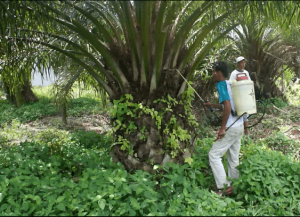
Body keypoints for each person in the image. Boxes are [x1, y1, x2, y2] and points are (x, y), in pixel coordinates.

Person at [204, 61, 249, 196]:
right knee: (233, 158)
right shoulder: (231, 84)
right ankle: (234, 186)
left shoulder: (221, 85)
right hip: (239, 124)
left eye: (214, 72)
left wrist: (222, 128)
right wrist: (212, 104)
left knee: (214, 155)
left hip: (231, 126)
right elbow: (228, 106)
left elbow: (228, 106)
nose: (213, 74)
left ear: (219, 73)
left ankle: (222, 188)